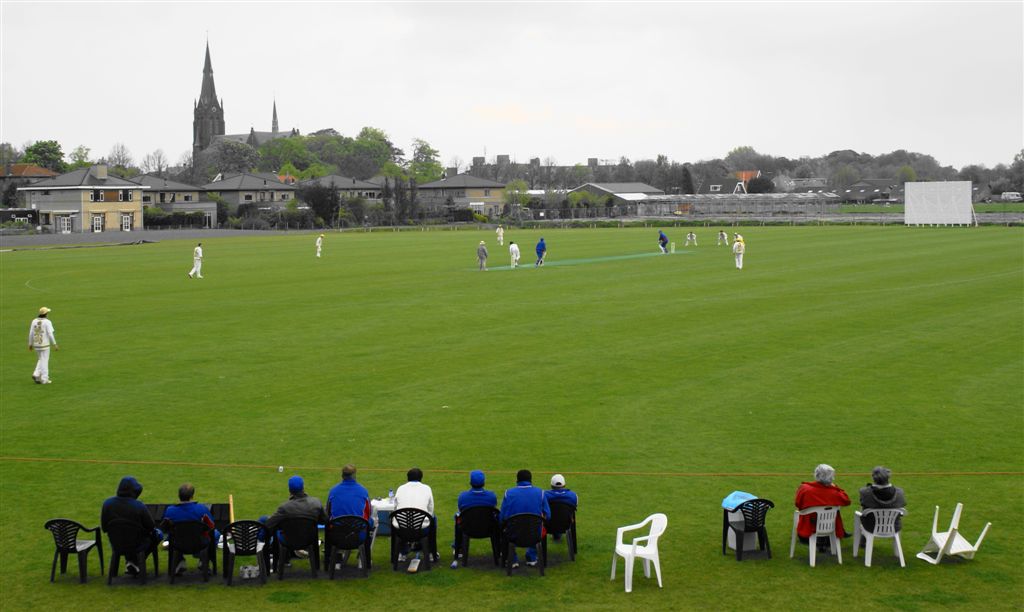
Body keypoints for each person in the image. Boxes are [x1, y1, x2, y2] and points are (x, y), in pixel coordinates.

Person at [101, 476, 162, 577]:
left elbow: (104, 528)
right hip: (137, 544)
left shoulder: (107, 504)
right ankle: (135, 561)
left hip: (117, 543)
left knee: (129, 535)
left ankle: (131, 561)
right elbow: (151, 527)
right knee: (158, 534)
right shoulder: (139, 506)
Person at [263, 476, 326, 560]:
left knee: (264, 520)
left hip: (289, 540)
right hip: (310, 539)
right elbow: (325, 520)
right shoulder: (316, 503)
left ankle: (267, 553)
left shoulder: (284, 508)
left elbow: (268, 525)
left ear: (289, 490)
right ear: (303, 488)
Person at [163, 483, 219, 576]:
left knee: (173, 535)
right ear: (192, 496)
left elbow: (165, 528)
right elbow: (211, 527)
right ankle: (203, 560)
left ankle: (179, 562)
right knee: (215, 533)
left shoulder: (170, 510)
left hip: (178, 543)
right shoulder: (201, 509)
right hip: (199, 543)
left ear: (179, 496)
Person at [500, 469, 550, 568]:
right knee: (536, 525)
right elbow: (548, 515)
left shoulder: (508, 493)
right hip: (535, 535)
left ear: (517, 480)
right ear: (531, 480)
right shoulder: (540, 493)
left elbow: (502, 517)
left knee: (503, 528)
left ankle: (512, 558)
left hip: (513, 535)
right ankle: (531, 556)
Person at [794, 464, 851, 551]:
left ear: (816, 474)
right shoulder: (835, 493)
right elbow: (846, 501)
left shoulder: (804, 489)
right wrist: (836, 487)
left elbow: (798, 504)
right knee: (834, 510)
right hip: (829, 531)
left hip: (807, 532)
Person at [450, 470, 498, 568]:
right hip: (489, 529)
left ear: (470, 482)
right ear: (484, 482)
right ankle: (499, 548)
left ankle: (458, 548)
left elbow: (461, 510)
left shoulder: (463, 496)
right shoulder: (491, 496)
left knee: (458, 518)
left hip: (468, 528)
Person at [394, 467, 438, 562]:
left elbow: (395, 508)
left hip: (402, 529)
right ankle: (431, 552)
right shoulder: (426, 488)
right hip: (421, 529)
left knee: (398, 521)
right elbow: (431, 510)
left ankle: (402, 553)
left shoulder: (400, 488)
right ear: (421, 478)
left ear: (407, 478)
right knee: (433, 519)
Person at [326, 464, 373, 541]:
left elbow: (328, 513)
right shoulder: (363, 491)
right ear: (354, 475)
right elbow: (368, 513)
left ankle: (334, 550)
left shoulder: (333, 491)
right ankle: (365, 550)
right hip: (357, 533)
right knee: (372, 520)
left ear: (342, 475)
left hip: (337, 532)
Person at [859, 466, 906, 534]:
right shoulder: (900, 492)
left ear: (873, 477)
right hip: (894, 526)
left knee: (863, 509)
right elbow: (902, 510)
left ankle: (864, 541)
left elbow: (863, 505)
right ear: (888, 477)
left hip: (871, 527)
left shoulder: (865, 492)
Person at [544, 474, 579, 542]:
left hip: (548, 525)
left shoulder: (544, 495)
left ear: (551, 485)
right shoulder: (573, 495)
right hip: (566, 525)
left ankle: (556, 535)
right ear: (564, 484)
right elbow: (573, 509)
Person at [28, 306, 58, 384]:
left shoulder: (34, 321)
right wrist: (54, 344)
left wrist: (30, 344)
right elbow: (50, 334)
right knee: (44, 361)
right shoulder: (47, 322)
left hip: (36, 344)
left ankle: (36, 374)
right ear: (46, 314)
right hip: (45, 345)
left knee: (41, 359)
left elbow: (31, 333)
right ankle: (44, 379)